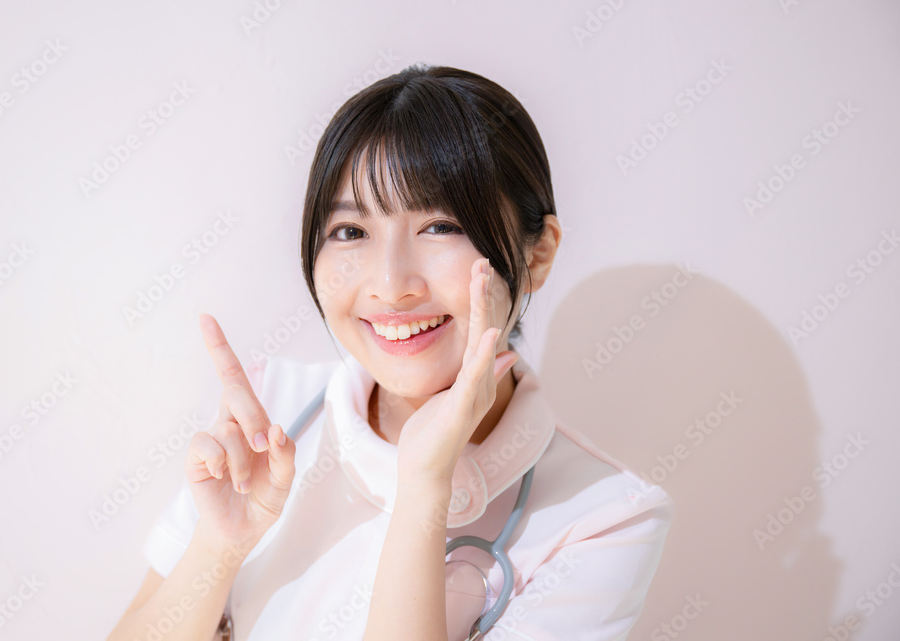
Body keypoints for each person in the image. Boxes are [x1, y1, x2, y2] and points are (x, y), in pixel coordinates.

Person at [108, 64, 673, 640]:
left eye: (441, 226)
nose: (390, 284)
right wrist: (221, 545)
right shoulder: (271, 412)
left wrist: (425, 487)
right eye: (351, 232)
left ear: (536, 255)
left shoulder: (606, 518)